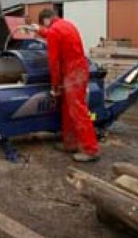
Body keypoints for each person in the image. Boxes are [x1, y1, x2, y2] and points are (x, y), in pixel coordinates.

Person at [36, 9, 101, 162]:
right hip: (78, 69)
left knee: (78, 110)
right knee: (68, 108)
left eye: (42, 24)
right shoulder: (66, 24)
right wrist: (38, 30)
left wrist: (55, 86)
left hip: (72, 73)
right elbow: (56, 35)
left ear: (46, 20)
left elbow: (54, 62)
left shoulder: (53, 31)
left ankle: (91, 150)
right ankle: (70, 144)